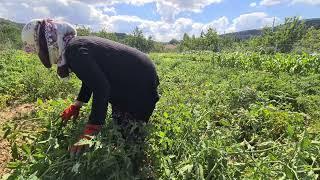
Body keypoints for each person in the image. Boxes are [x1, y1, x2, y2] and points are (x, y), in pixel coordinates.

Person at [21, 19, 160, 155]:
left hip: (140, 84)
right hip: (136, 77)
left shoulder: (75, 51)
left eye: (39, 50)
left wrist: (92, 128)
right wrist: (77, 104)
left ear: (47, 43)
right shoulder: (74, 46)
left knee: (129, 139)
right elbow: (91, 79)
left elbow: (101, 88)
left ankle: (137, 161)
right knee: (119, 124)